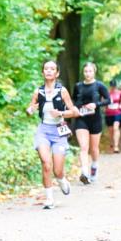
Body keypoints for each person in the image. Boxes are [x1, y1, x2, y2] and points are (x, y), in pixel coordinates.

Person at [27, 60, 80, 209]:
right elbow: (30, 109)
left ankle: (62, 180)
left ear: (57, 73)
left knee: (57, 170)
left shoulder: (62, 91)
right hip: (43, 130)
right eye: (46, 69)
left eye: (52, 69)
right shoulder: (38, 92)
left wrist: (61, 113)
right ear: (43, 72)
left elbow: (74, 112)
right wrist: (30, 110)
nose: (49, 71)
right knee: (45, 163)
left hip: (59, 130)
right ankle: (49, 199)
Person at [73, 62, 110, 183]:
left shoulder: (99, 85)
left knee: (94, 149)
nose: (88, 74)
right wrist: (75, 109)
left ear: (94, 72)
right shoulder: (78, 86)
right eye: (85, 71)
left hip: (95, 119)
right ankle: (84, 172)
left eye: (90, 71)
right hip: (81, 119)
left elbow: (108, 100)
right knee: (84, 147)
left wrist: (96, 104)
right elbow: (73, 101)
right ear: (83, 73)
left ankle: (94, 166)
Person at [106, 80, 121, 153]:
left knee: (116, 128)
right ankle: (112, 143)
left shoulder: (120, 93)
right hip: (109, 113)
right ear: (110, 86)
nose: (113, 87)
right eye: (112, 86)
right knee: (111, 130)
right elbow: (103, 100)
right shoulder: (106, 93)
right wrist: (105, 107)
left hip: (117, 112)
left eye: (114, 86)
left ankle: (116, 147)